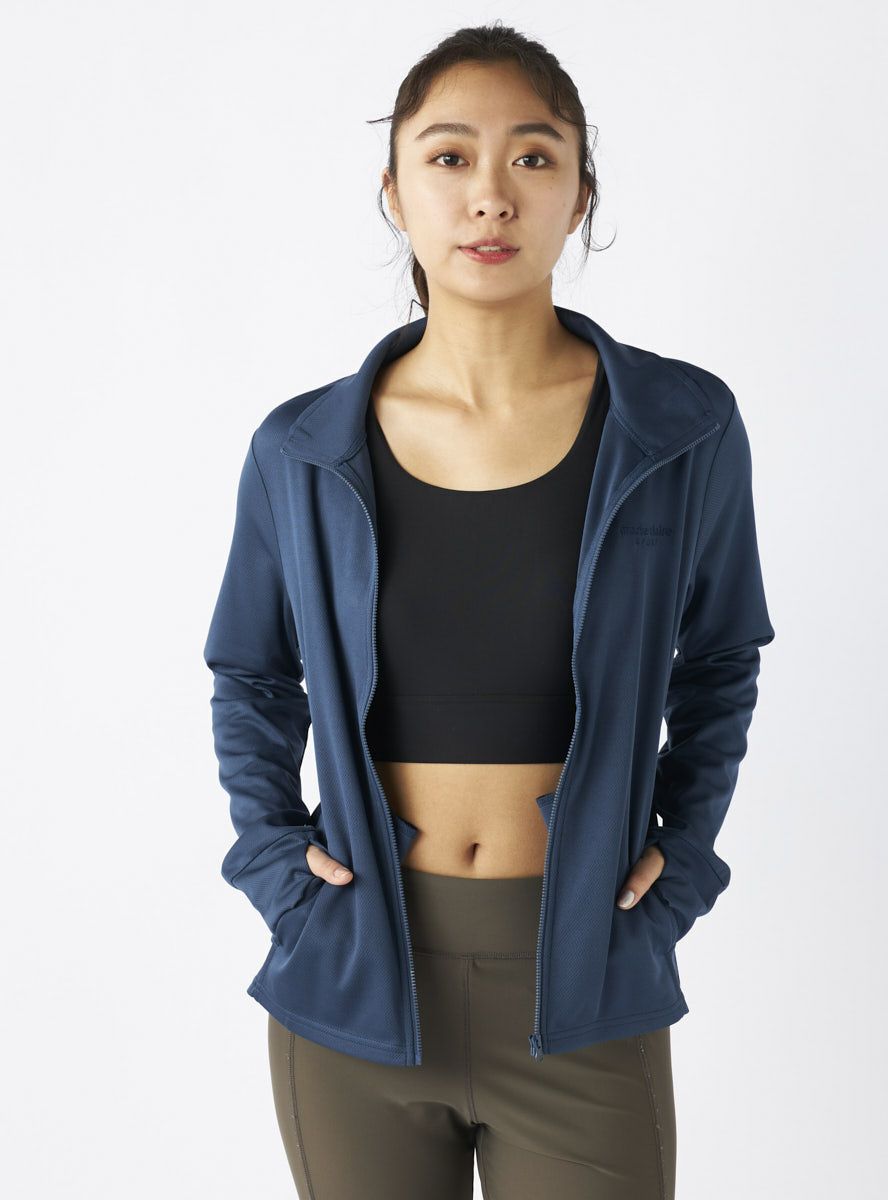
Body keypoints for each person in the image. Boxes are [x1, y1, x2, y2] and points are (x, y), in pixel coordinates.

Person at [203, 22, 775, 1200]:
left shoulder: (680, 429)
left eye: (533, 156)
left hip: (583, 981)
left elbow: (719, 660)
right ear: (395, 192)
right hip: (356, 979)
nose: (490, 195)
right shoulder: (301, 449)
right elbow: (251, 672)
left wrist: (681, 865)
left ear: (578, 196)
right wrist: (274, 868)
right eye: (450, 156)